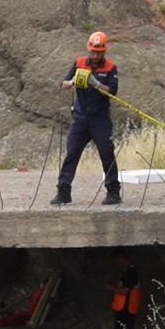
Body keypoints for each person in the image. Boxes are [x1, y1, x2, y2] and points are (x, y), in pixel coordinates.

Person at [52, 31, 123, 206]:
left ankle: (113, 192)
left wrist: (96, 83)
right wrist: (74, 81)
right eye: (93, 51)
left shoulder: (110, 68)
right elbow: (64, 84)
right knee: (72, 154)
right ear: (89, 49)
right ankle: (63, 192)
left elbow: (112, 91)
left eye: (99, 52)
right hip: (80, 118)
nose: (96, 55)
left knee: (107, 154)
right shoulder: (79, 63)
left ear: (104, 51)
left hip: (100, 119)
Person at [106, 250, 142, 329]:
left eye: (116, 261)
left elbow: (124, 292)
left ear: (121, 259)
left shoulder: (131, 272)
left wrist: (110, 288)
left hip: (127, 310)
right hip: (124, 309)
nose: (115, 264)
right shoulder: (128, 271)